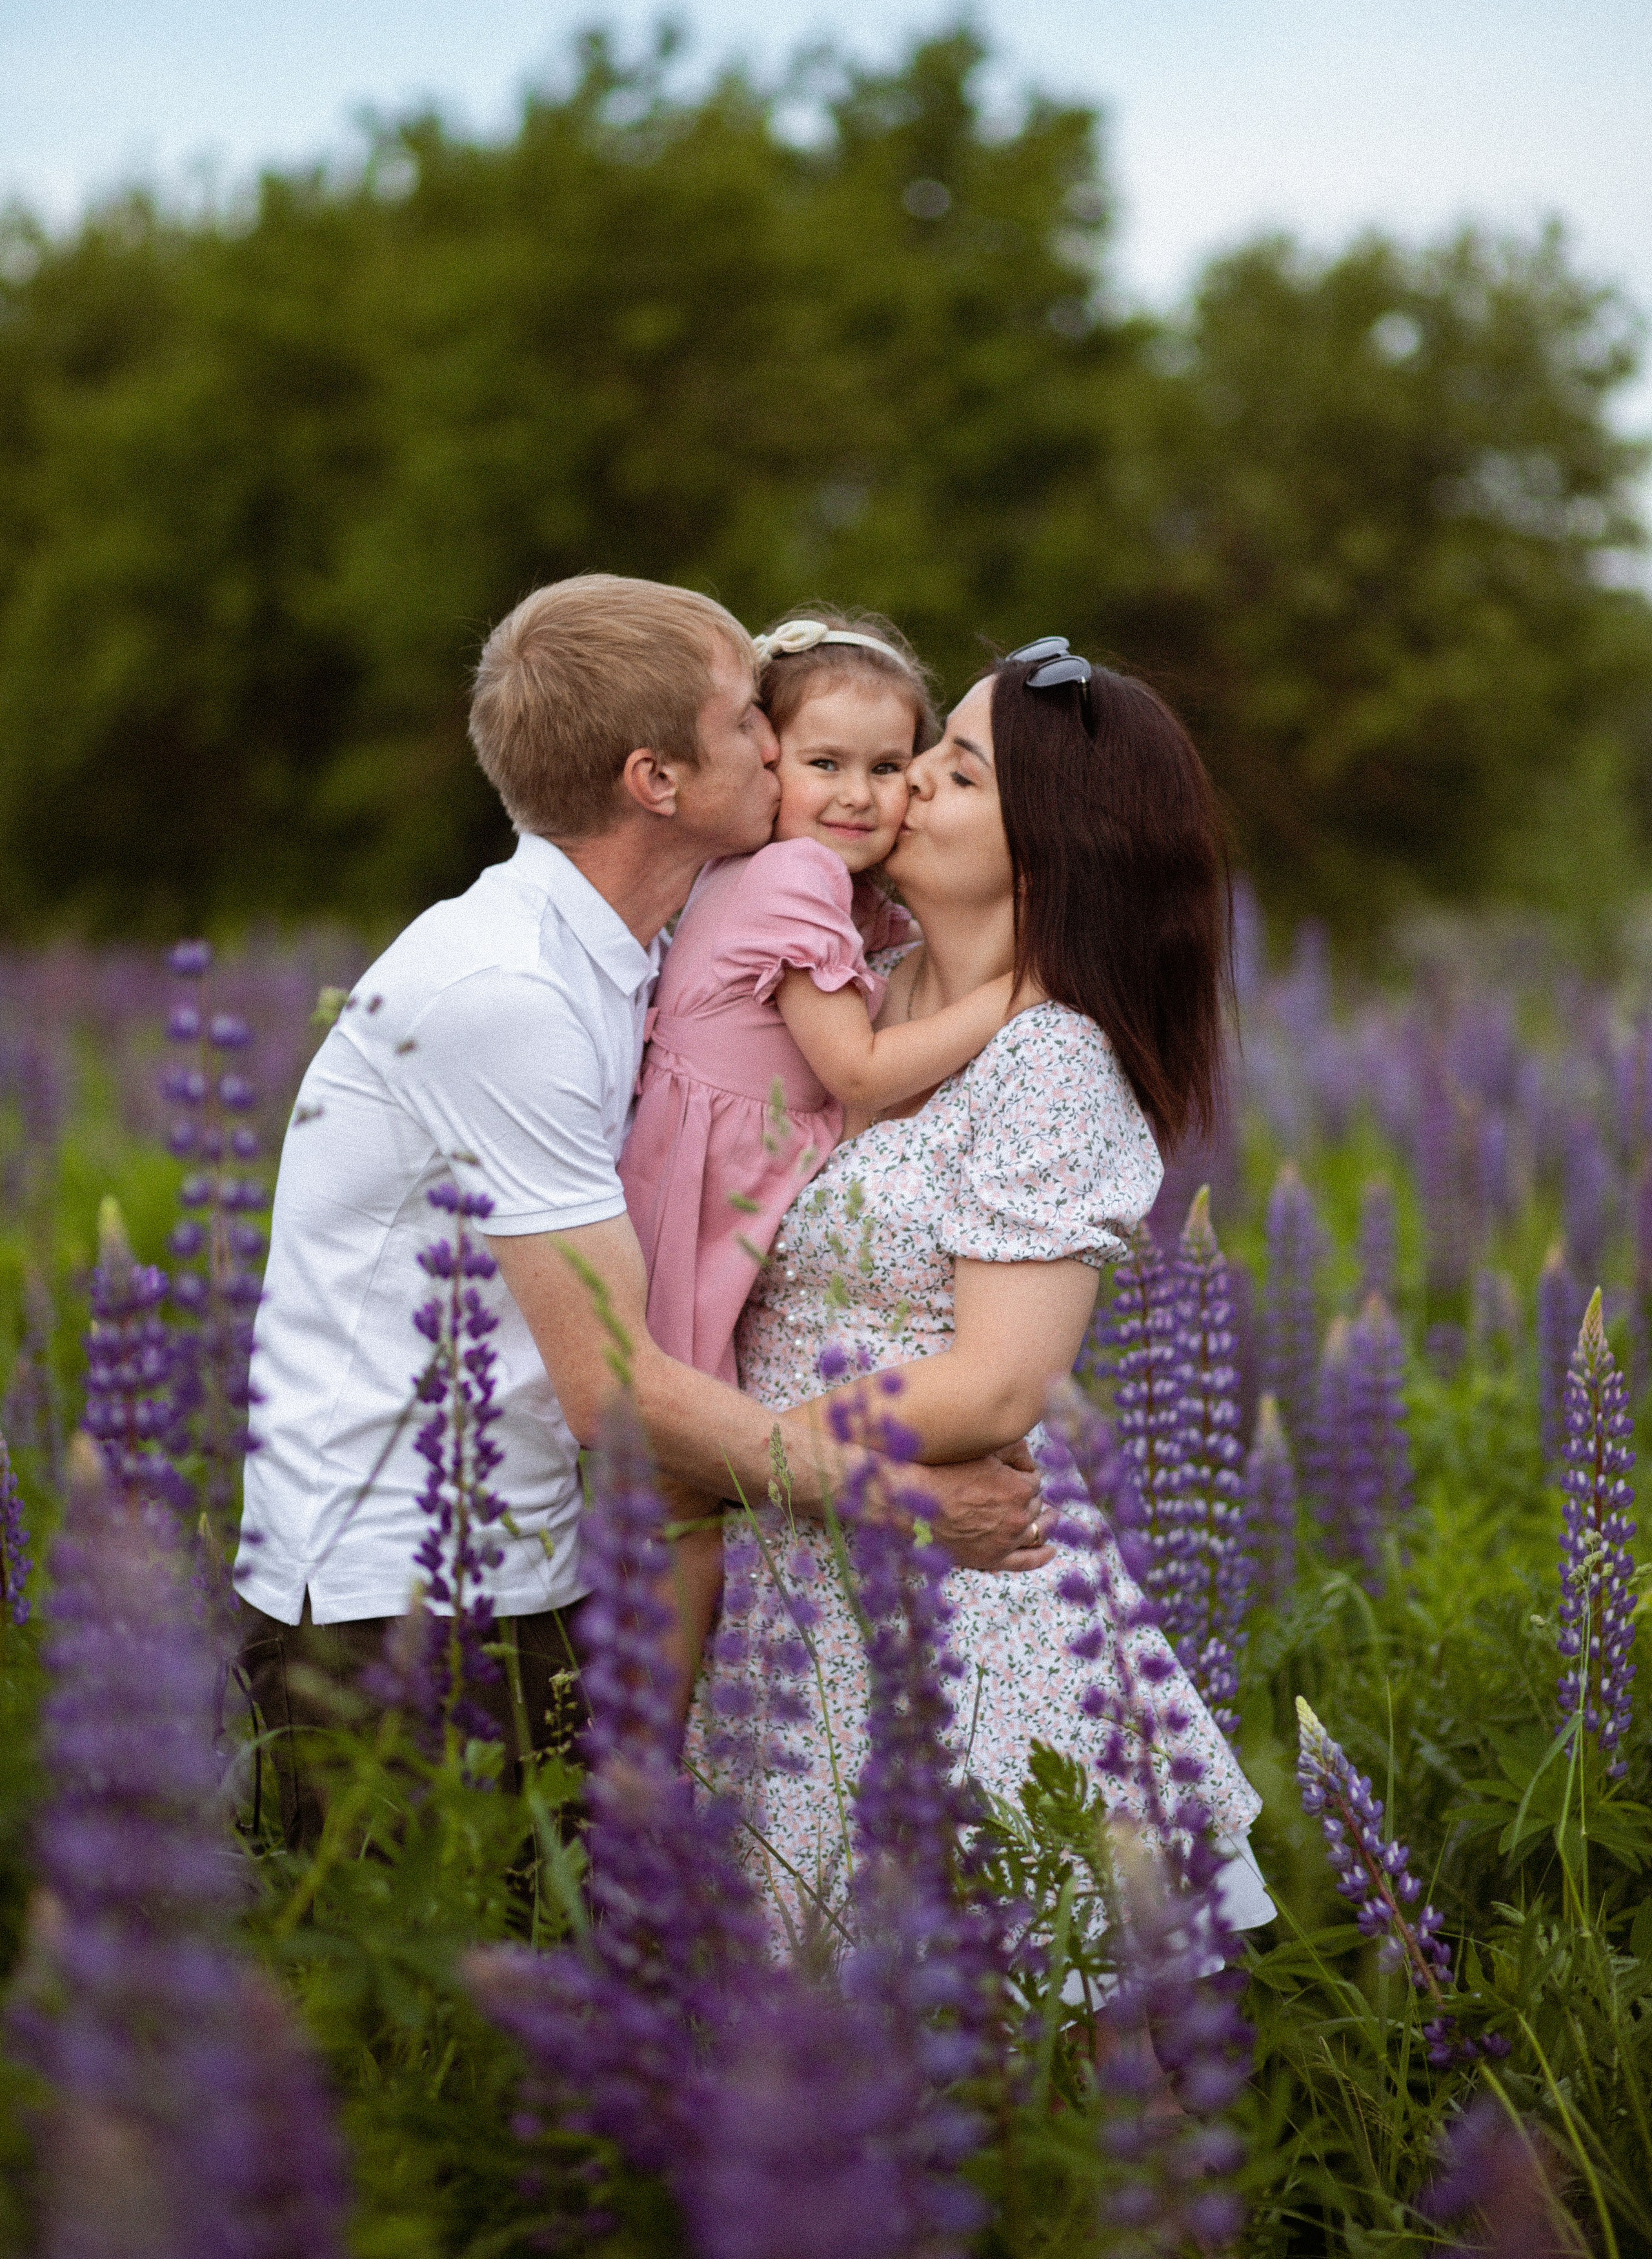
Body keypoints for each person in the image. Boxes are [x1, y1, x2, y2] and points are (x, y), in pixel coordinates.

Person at [233, 575, 1050, 1840]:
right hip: (391, 1600)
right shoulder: (506, 994)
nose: (772, 746)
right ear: (655, 780)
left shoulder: (639, 953)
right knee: (433, 2013)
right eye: (744, 724)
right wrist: (917, 1504)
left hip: (538, 1559)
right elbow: (615, 1389)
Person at [689, 638, 1273, 1930]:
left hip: (959, 1611)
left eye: (951, 770)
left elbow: (1000, 1381)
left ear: (1046, 848)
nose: (900, 790)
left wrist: (738, 1453)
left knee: (1026, 2060)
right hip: (794, 1565)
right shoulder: (859, 987)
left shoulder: (1052, 1056)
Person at [618, 612, 1014, 1699]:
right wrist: (1016, 997)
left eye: (890, 768)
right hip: (699, 1211)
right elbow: (862, 1072)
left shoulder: (818, 888)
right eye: (824, 763)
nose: (858, 794)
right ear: (767, 762)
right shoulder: (793, 878)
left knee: (686, 1493)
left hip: (722, 1191)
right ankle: (656, 1738)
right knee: (685, 1497)